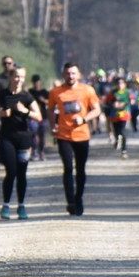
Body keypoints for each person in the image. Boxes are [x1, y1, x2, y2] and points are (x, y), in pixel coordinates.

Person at [0, 64, 43, 220]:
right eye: (16, 76)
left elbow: (38, 117)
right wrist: (1, 113)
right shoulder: (2, 95)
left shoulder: (27, 96)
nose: (19, 80)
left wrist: (24, 110)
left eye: (22, 77)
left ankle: (21, 205)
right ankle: (5, 205)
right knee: (11, 172)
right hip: (7, 137)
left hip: (24, 138)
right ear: (10, 77)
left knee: (22, 174)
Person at [48, 62, 101, 216]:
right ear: (63, 75)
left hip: (82, 135)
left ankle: (79, 198)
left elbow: (97, 110)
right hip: (63, 135)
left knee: (80, 169)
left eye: (73, 73)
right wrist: (53, 125)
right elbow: (50, 109)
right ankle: (70, 201)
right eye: (67, 73)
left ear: (78, 75)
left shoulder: (87, 90)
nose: (70, 76)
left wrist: (84, 119)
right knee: (68, 168)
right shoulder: (56, 92)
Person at [105, 75, 132, 158]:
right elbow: (107, 102)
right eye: (118, 83)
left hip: (124, 114)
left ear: (125, 84)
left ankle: (124, 150)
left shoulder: (127, 92)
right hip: (114, 115)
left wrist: (124, 104)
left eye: (122, 83)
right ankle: (117, 140)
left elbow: (132, 100)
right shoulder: (113, 93)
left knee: (123, 132)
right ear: (116, 84)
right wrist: (113, 103)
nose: (120, 85)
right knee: (117, 131)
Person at [28, 74, 49, 160]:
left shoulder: (44, 92)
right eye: (34, 82)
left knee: (42, 135)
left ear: (40, 82)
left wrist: (43, 100)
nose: (36, 83)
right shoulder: (30, 92)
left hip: (43, 116)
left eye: (37, 82)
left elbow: (50, 102)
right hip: (33, 117)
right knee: (33, 134)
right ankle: (35, 152)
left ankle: (42, 152)